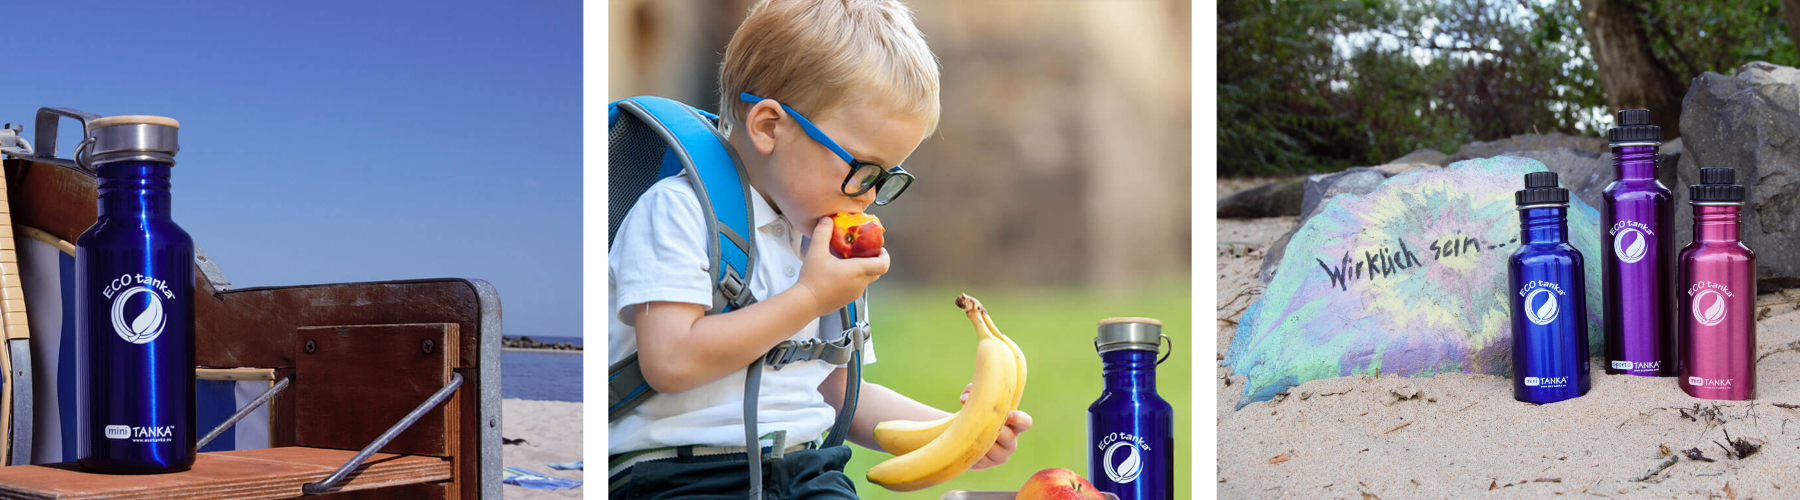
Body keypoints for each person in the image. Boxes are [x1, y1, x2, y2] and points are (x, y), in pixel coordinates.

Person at [608, 0, 1032, 498]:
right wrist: (809, 298)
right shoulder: (678, 212)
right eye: (862, 168)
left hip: (808, 471)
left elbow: (835, 393)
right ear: (769, 127)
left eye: (887, 177)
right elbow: (671, 360)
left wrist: (957, 432)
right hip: (679, 476)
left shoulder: (826, 246)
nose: (870, 195)